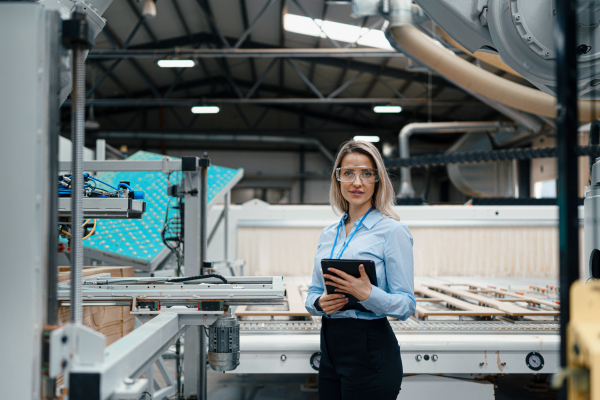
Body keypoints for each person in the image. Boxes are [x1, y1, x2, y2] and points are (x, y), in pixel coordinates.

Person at [305, 140, 416, 400]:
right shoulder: (328, 233)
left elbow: (406, 305)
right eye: (348, 173)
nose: (357, 182)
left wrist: (368, 294)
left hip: (370, 349)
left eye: (366, 173)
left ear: (378, 180)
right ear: (338, 179)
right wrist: (320, 303)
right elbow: (312, 293)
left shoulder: (393, 231)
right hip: (330, 347)